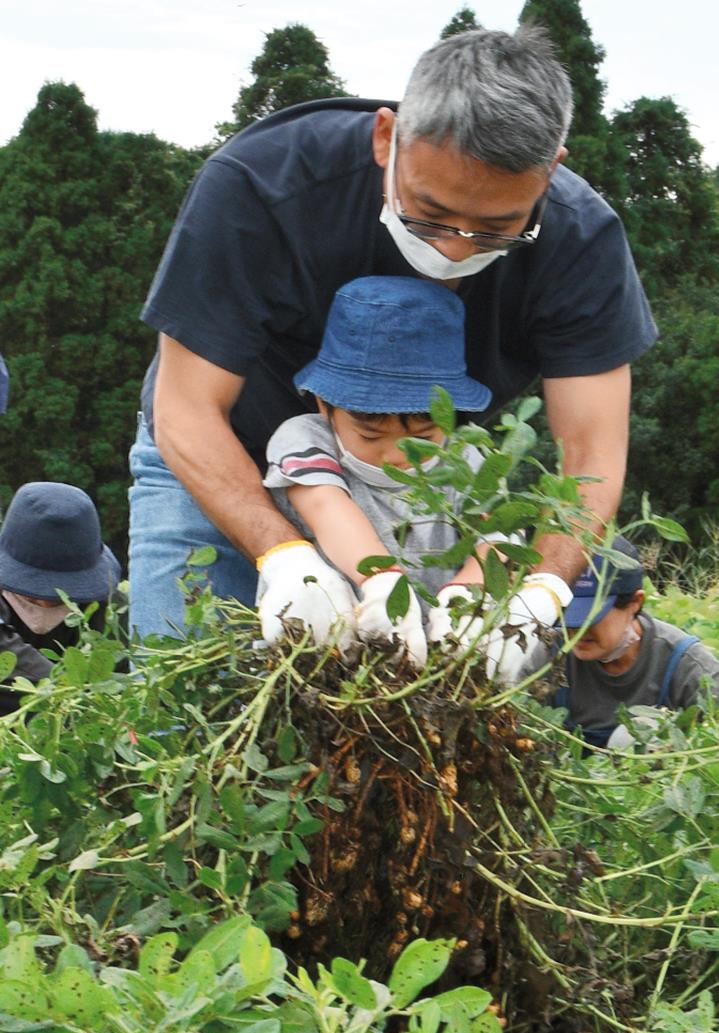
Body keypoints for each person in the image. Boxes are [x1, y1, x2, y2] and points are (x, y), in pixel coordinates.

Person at [129, 25, 657, 679]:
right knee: (181, 693)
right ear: (387, 138)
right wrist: (285, 557)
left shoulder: (582, 243)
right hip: (221, 453)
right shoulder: (263, 186)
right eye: (430, 214)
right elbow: (187, 410)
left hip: (416, 483)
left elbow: (591, 460)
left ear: (550, 172)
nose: (457, 250)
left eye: (498, 228)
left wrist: (538, 592)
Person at [260, 276, 496, 670]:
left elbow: (497, 539)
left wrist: (466, 595)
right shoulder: (305, 439)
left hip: (430, 666)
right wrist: (382, 581)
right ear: (324, 403)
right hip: (315, 656)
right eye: (370, 433)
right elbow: (322, 503)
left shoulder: (467, 457)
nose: (396, 455)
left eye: (423, 435)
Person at [554, 536, 719, 749]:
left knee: (635, 733)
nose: (576, 629)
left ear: (635, 603)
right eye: (568, 614)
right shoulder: (550, 655)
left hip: (660, 780)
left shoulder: (688, 665)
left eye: (590, 617)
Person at [0, 482, 122, 715]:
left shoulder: (110, 610)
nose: (45, 604)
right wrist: (74, 694)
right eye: (32, 594)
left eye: (60, 598)